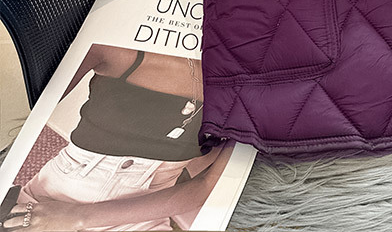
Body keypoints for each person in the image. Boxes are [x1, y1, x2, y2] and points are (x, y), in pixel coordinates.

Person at [2, 45, 232, 232]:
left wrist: (78, 216)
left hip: (55, 203)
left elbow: (206, 185)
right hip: (140, 208)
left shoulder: (115, 53)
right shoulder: (113, 50)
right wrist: (79, 218)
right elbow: (204, 187)